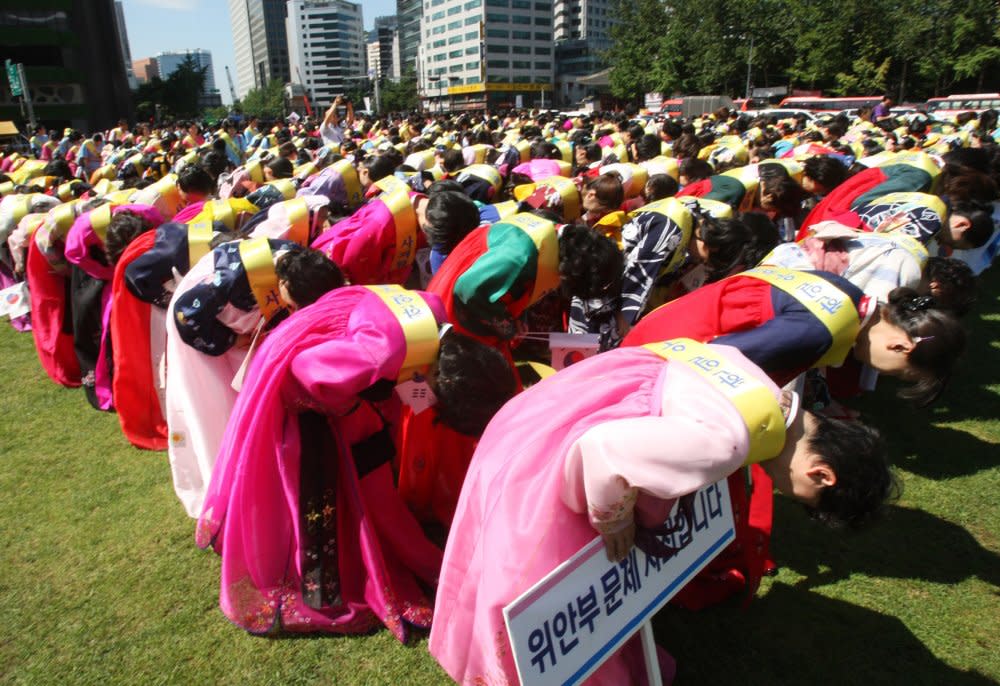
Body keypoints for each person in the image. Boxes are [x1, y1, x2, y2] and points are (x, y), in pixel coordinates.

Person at [429, 340, 894, 685]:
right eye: (804, 501)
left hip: (559, 406)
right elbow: (602, 450)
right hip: (554, 452)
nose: (790, 496)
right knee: (529, 578)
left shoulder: (758, 384)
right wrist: (614, 521)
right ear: (821, 475)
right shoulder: (728, 440)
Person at [195, 285, 516, 637]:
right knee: (328, 484)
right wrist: (351, 410)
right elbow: (308, 373)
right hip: (307, 385)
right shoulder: (378, 356)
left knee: (371, 471)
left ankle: (404, 549)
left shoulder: (433, 315)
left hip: (331, 356)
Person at [166, 239, 344, 517]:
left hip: (243, 321)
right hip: (201, 326)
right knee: (217, 404)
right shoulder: (230, 282)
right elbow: (186, 316)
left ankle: (264, 467)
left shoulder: (300, 264)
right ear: (284, 286)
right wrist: (233, 338)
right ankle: (228, 486)